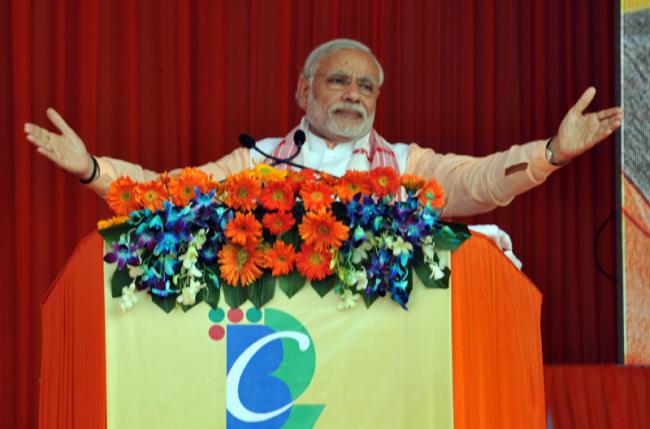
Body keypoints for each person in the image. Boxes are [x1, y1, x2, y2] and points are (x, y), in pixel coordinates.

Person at [24, 38, 622, 218]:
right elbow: (170, 195)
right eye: (339, 81)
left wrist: (551, 153)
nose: (353, 95)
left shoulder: (406, 165)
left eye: (366, 86)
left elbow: (480, 182)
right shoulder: (257, 161)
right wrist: (93, 170)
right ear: (303, 91)